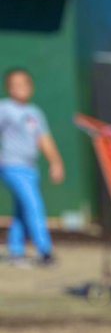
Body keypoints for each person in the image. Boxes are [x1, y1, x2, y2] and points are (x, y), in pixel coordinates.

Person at [0, 68, 65, 266]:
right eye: (15, 85)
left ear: (31, 87)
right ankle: (44, 249)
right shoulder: (4, 108)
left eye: (24, 84)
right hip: (11, 165)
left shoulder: (35, 113)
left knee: (21, 210)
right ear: (8, 88)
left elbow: (44, 139)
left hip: (30, 168)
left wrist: (55, 162)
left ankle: (15, 251)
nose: (20, 88)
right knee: (33, 204)